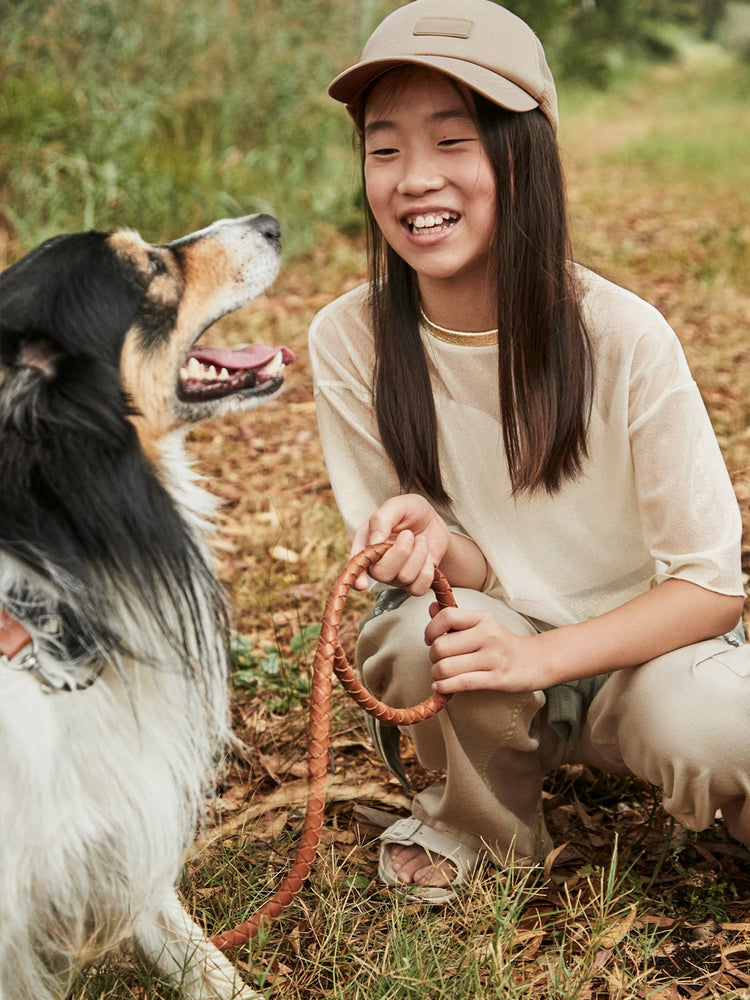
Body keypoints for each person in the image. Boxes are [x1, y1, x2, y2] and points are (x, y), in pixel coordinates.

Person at [308, 0, 749, 903]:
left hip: (648, 654)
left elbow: (710, 585)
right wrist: (425, 543)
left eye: (453, 141)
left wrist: (548, 661)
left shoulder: (624, 336)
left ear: (526, 153)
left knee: (715, 729)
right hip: (493, 641)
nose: (413, 180)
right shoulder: (349, 339)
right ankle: (482, 827)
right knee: (412, 634)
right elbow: (463, 568)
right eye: (384, 149)